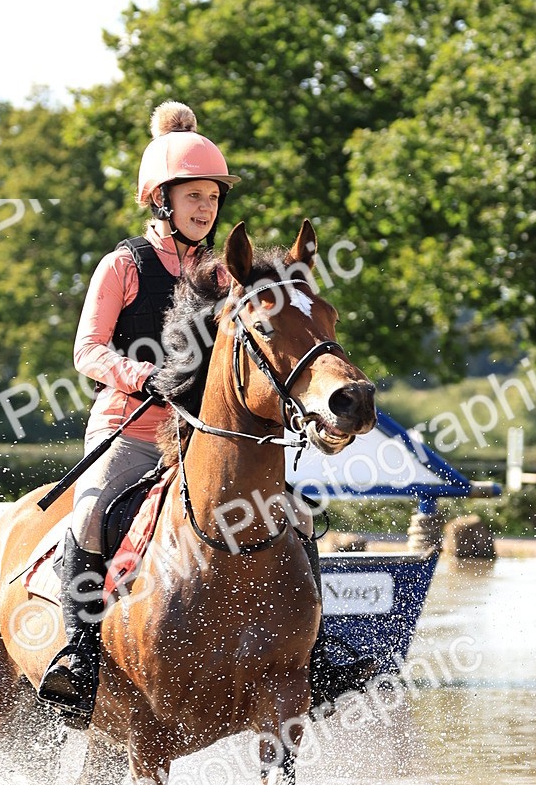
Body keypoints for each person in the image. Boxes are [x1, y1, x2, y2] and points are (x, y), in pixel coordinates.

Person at [38, 102, 374, 723]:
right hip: (131, 430)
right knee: (89, 516)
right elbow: (88, 351)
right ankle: (79, 659)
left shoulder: (226, 277)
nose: (205, 208)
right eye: (193, 196)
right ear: (160, 200)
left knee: (295, 518)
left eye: (213, 198)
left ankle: (317, 654)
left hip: (206, 439)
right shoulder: (123, 265)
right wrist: (144, 376)